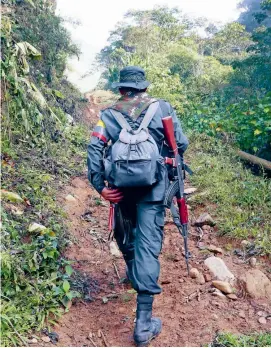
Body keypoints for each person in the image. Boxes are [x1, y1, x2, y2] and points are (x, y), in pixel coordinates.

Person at [87, 66, 188, 346]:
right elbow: (180, 143)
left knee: (125, 234)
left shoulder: (108, 114)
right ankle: (144, 325)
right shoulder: (162, 108)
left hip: (120, 188)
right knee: (147, 243)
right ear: (143, 87)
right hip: (153, 188)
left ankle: (134, 273)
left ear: (121, 89)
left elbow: (95, 148)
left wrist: (100, 186)